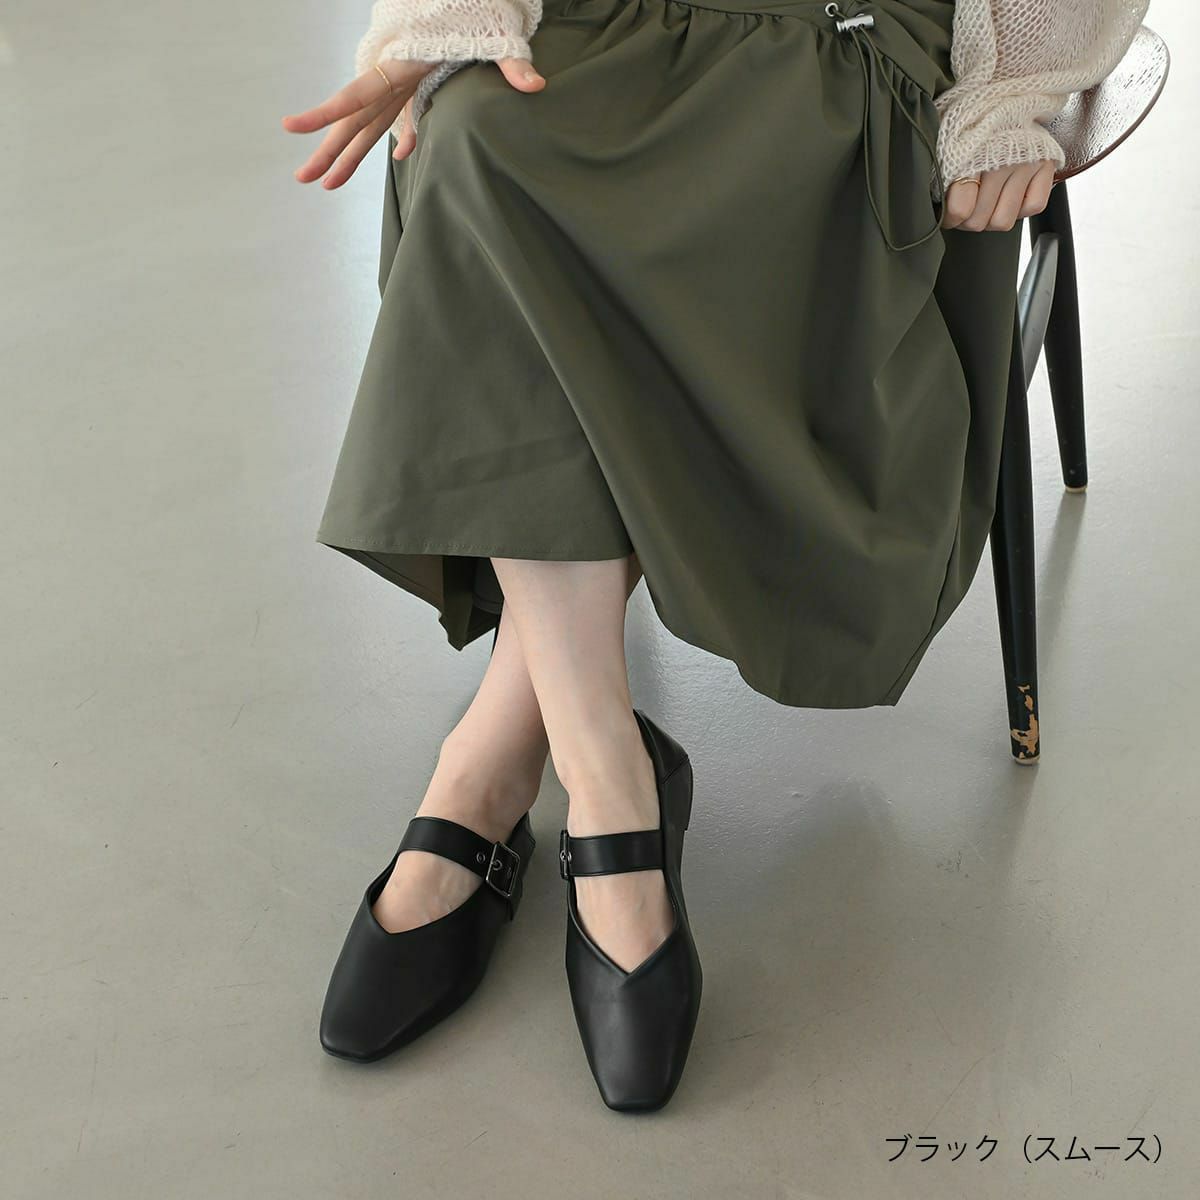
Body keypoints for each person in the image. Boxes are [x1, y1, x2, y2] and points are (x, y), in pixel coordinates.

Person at [282, 0, 1150, 1111]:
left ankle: (490, 761)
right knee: (478, 136)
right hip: (609, 16)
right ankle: (608, 787)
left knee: (614, 207)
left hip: (840, 39)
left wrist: (1018, 84)